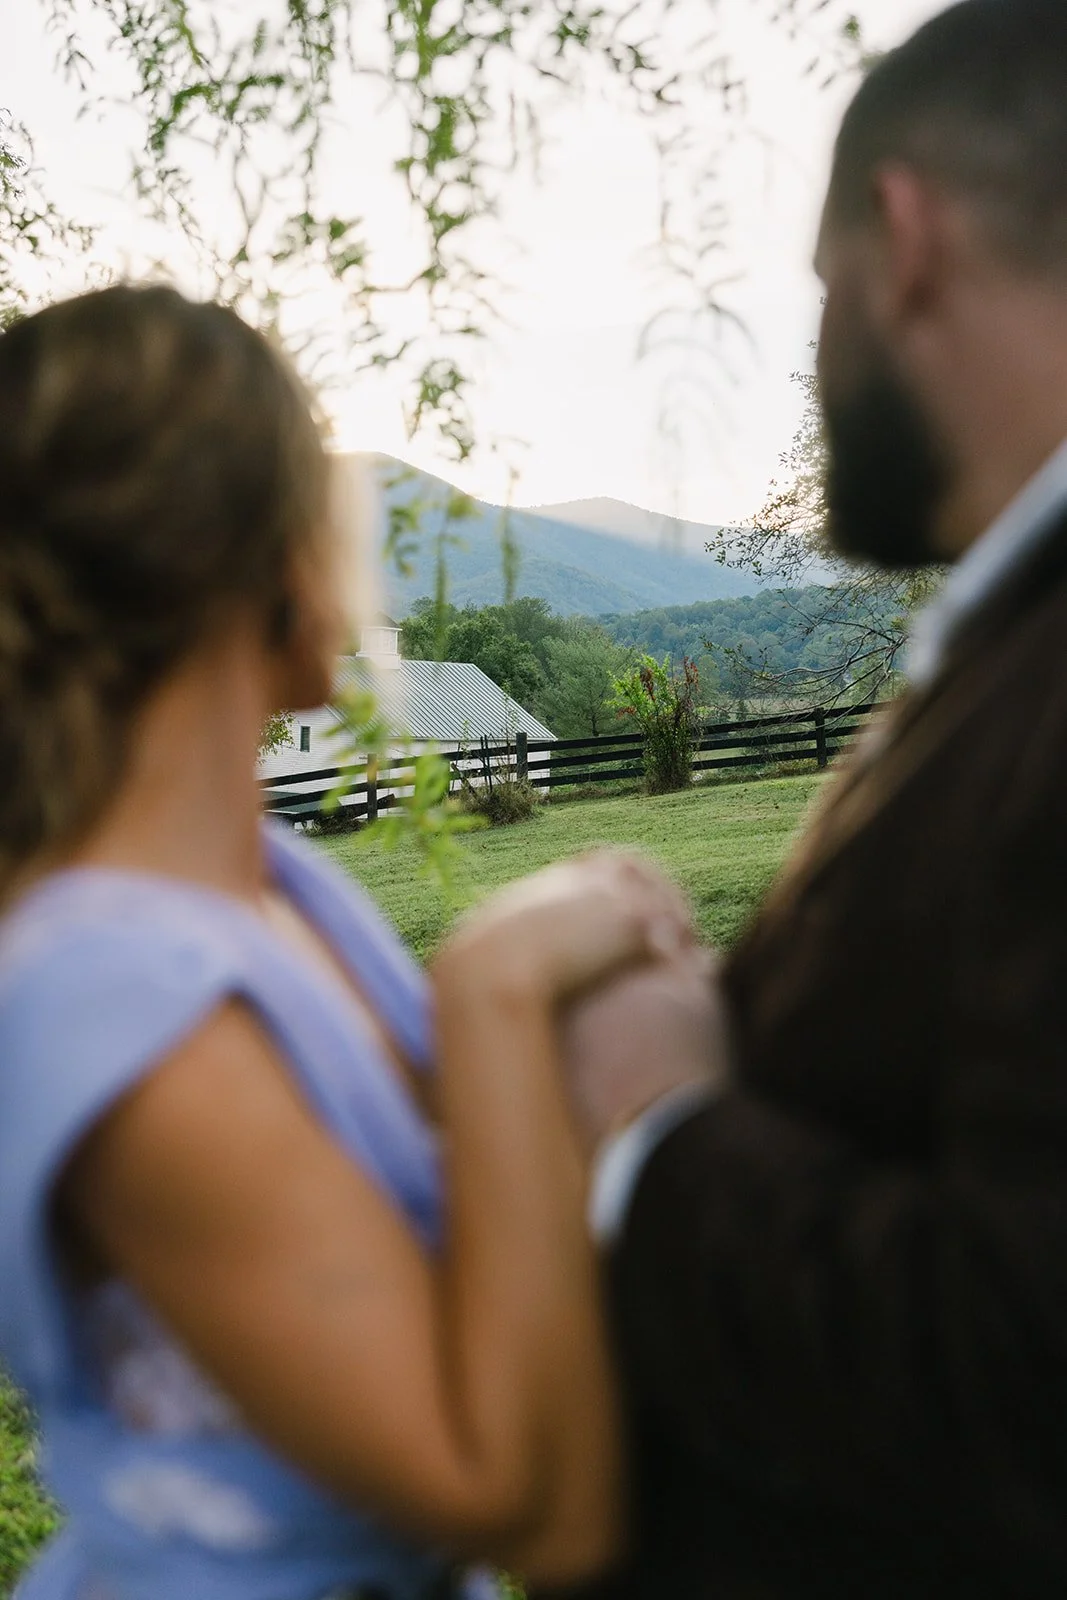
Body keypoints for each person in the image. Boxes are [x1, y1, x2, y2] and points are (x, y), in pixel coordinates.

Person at [0, 284, 699, 1600]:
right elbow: (523, 1506)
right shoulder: (108, 998)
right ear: (261, 559)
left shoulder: (276, 888)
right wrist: (497, 985)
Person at [556, 2, 1067, 1595]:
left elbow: (1025, 1390)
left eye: (821, 281)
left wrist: (657, 1126)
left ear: (901, 238)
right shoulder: (1010, 633)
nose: (822, 336)